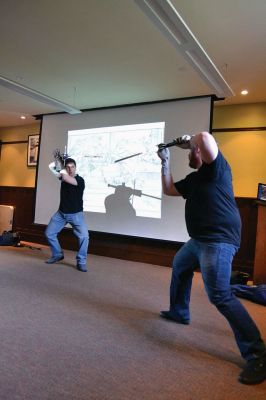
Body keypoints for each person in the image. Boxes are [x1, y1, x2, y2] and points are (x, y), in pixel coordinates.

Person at [157, 131, 266, 385]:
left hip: (219, 241)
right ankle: (179, 312)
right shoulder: (195, 179)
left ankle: (258, 353)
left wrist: (190, 140)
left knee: (219, 294)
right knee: (180, 265)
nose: (188, 155)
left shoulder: (218, 169)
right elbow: (169, 189)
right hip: (198, 241)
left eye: (190, 151)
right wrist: (164, 162)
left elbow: (205, 137)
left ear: (199, 150)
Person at [45, 156, 89, 272]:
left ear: (76, 168)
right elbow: (50, 166)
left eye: (72, 167)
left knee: (84, 236)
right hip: (61, 213)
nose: (70, 169)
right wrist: (58, 160)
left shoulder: (79, 180)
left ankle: (81, 261)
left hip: (76, 215)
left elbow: (66, 178)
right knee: (49, 233)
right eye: (68, 167)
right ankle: (57, 254)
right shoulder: (62, 176)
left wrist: (62, 167)